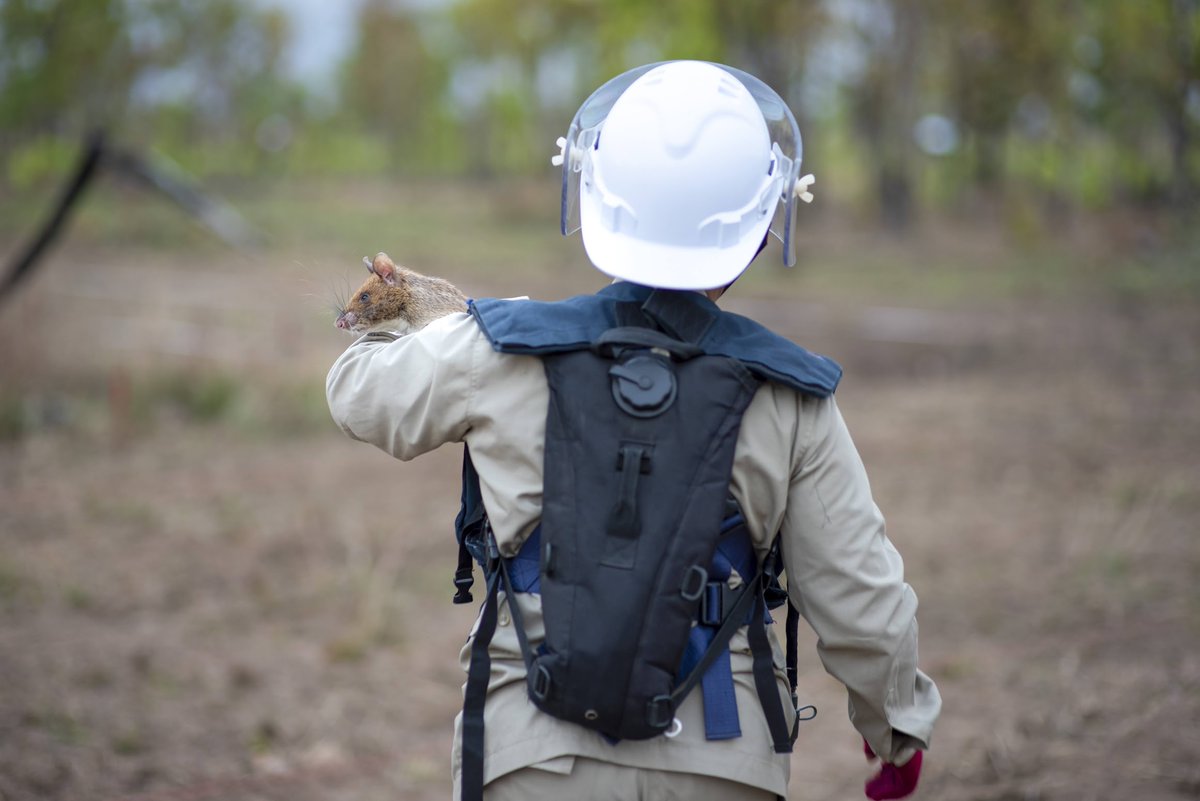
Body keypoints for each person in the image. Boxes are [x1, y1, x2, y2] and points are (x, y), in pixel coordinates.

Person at [326, 60, 941, 801]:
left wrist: (414, 315)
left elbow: (357, 395)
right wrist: (896, 733)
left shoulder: (498, 347)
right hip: (724, 757)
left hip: (531, 757)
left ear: (593, 195)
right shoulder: (791, 393)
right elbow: (864, 599)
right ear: (759, 226)